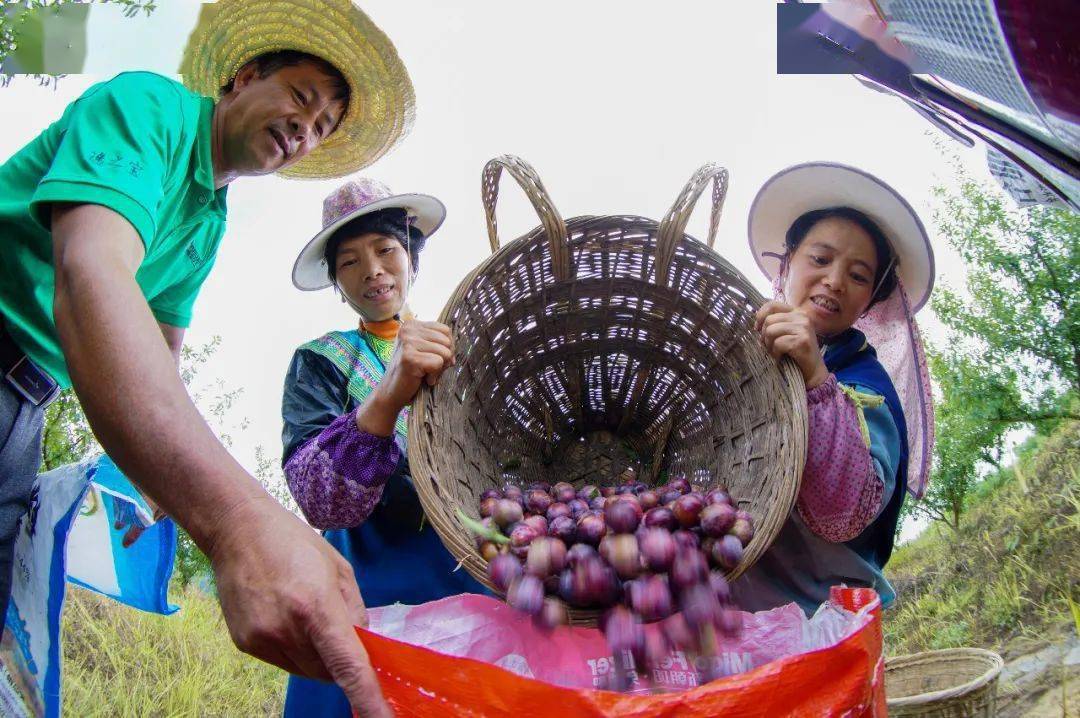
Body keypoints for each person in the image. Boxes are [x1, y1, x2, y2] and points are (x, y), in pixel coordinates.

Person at [0, 0, 414, 712]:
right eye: (301, 99)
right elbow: (91, 274)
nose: (304, 130)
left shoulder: (208, 222)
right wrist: (234, 519)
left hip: (29, 402)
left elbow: (162, 354)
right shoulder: (147, 107)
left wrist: (158, 479)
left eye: (320, 128)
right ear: (243, 77)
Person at [281, 179, 489, 716]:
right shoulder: (322, 361)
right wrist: (386, 397)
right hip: (370, 588)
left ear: (412, 259)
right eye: (348, 262)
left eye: (386, 250)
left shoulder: (465, 352)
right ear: (337, 283)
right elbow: (319, 499)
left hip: (472, 582)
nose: (371, 270)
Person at [734, 162, 936, 615]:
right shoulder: (741, 361)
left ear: (871, 299)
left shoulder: (866, 388)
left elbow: (843, 512)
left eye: (859, 276)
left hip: (815, 625)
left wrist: (814, 378)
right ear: (788, 262)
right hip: (722, 622)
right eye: (820, 259)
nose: (835, 281)